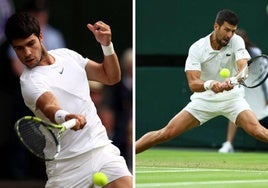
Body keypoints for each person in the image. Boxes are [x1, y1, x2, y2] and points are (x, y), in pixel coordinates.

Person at [5, 12, 132, 187]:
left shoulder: (67, 55)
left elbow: (111, 76)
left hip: (100, 149)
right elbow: (49, 105)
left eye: (30, 44)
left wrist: (107, 46)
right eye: (19, 48)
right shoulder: (29, 81)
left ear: (40, 36)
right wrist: (65, 116)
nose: (27, 53)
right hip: (65, 167)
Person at [135, 9, 268, 154]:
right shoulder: (197, 48)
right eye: (226, 30)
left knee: (257, 131)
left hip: (232, 99)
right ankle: (130, 154)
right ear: (216, 26)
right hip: (204, 99)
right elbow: (193, 83)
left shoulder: (237, 40)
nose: (229, 35)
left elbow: (243, 68)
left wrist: (234, 80)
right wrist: (210, 84)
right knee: (166, 133)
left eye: (233, 31)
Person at [7, 0, 66, 179]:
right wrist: (33, 85)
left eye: (42, 12)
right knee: (23, 136)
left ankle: (43, 174)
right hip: (26, 94)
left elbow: (59, 63)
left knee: (50, 138)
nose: (40, 15)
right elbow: (16, 64)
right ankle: (19, 176)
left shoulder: (55, 36)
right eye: (36, 12)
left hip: (53, 93)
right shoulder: (19, 37)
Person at [218, 28, 268, 153]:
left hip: (258, 88)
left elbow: (260, 74)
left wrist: (267, 96)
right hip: (244, 88)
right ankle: (228, 144)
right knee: (235, 112)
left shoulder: (255, 52)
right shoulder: (228, 51)